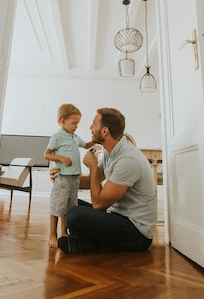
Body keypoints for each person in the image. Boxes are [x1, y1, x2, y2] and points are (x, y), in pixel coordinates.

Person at [54, 107, 158, 254]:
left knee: (75, 215)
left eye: (93, 124)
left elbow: (98, 204)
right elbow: (91, 181)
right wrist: (63, 176)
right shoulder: (111, 152)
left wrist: (93, 167)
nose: (90, 128)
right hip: (117, 217)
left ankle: (89, 242)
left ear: (104, 131)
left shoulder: (127, 160)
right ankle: (89, 243)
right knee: (68, 201)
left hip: (136, 233)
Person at [44, 103, 93, 248]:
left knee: (69, 207)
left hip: (74, 179)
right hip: (63, 179)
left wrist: (97, 140)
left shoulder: (75, 137)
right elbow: (47, 154)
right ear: (62, 121)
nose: (76, 126)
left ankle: (64, 232)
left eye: (78, 123)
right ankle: (53, 234)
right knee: (57, 207)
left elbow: (86, 145)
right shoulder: (57, 136)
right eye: (74, 123)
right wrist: (61, 158)